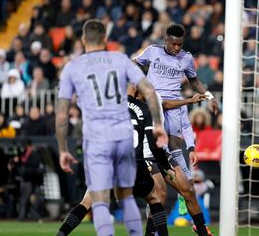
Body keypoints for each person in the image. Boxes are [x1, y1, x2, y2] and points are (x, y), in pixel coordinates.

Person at [56, 19, 167, 236]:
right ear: (105, 39)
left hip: (97, 142)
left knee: (97, 201)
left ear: (82, 40)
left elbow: (61, 114)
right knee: (142, 197)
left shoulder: (72, 67)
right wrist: (159, 125)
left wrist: (62, 149)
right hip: (123, 142)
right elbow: (150, 92)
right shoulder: (120, 60)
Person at [134, 23, 218, 236]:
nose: (177, 48)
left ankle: (198, 225)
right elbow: (133, 65)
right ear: (166, 40)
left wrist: (209, 97)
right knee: (160, 191)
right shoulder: (152, 52)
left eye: (180, 44)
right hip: (155, 108)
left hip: (173, 112)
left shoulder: (186, 58)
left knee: (186, 184)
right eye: (173, 44)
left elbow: (194, 80)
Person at [56, 85, 175, 236]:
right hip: (135, 165)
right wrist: (166, 166)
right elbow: (154, 144)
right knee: (154, 199)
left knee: (86, 202)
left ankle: (60, 234)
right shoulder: (145, 108)